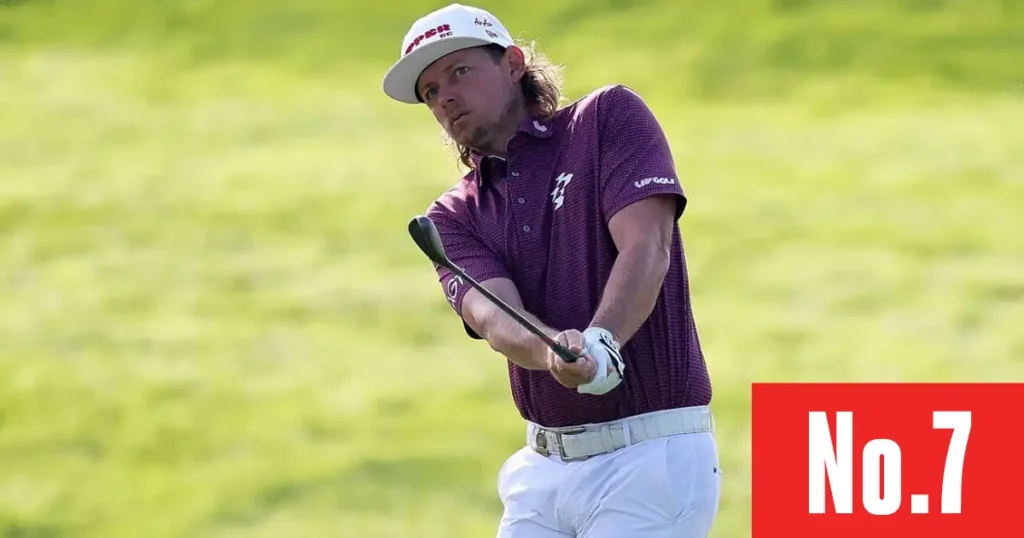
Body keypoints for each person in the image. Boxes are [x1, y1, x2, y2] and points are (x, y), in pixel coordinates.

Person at [383, 4, 721, 537]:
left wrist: (602, 341)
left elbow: (647, 247)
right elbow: (494, 318)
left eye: (459, 71)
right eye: (429, 91)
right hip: (540, 471)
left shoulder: (606, 119)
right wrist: (551, 353)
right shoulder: (452, 216)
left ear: (513, 64)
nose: (445, 96)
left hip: (649, 458)